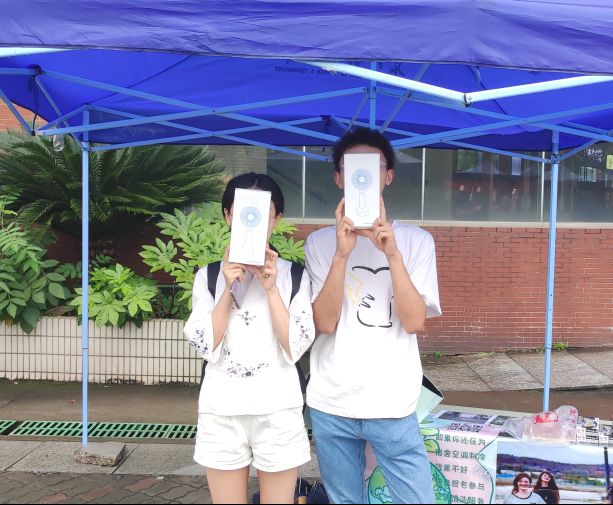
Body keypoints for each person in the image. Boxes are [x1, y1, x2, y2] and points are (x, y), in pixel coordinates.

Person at [305, 127, 442, 504]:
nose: (361, 177)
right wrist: (341, 254)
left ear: (388, 176)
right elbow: (324, 323)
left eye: (372, 167)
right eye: (351, 169)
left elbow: (414, 322)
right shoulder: (319, 242)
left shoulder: (416, 241)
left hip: (392, 400)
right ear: (338, 178)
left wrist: (391, 254)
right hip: (332, 400)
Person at [184, 172, 315, 504]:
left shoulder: (294, 276)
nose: (254, 221)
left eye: (264, 213)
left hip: (278, 411)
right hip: (222, 411)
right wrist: (229, 288)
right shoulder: (209, 276)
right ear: (228, 215)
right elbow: (205, 344)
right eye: (243, 211)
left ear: (276, 219)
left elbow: (296, 346)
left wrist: (271, 290)